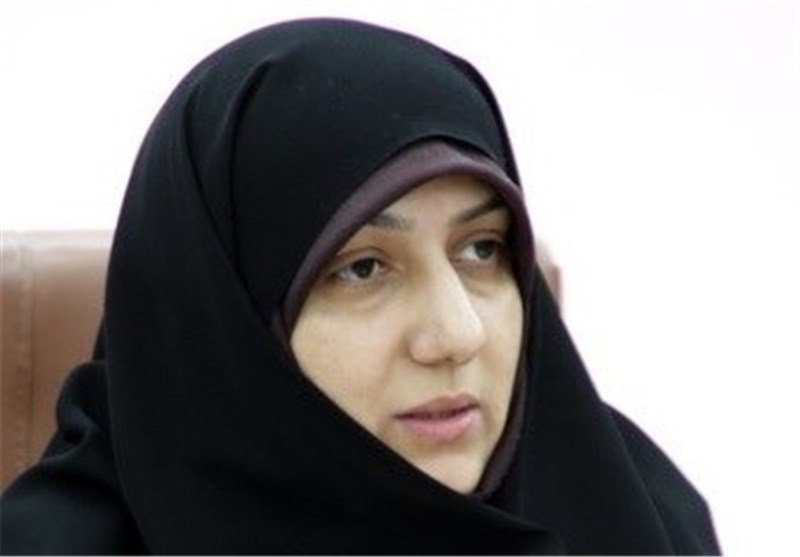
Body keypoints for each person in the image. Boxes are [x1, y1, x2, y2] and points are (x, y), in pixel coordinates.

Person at [0, 18, 720, 554]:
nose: (458, 334)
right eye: (363, 267)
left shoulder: (642, 522)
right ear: (225, 333)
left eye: (482, 249)